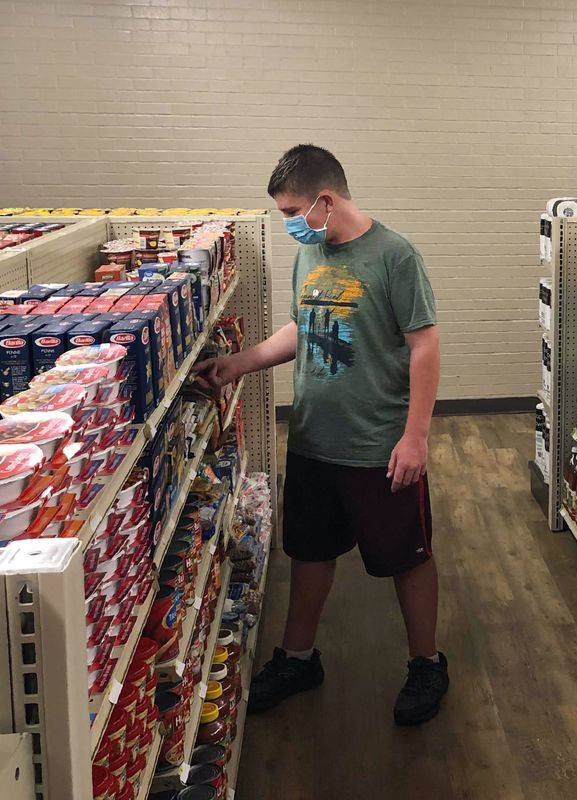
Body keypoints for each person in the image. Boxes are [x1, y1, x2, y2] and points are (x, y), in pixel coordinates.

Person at [194, 144, 448, 725]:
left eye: (292, 211)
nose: (289, 224)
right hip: (313, 441)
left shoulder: (394, 255)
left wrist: (416, 436)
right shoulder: (310, 258)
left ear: (325, 201)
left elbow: (424, 344)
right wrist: (240, 362)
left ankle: (426, 662)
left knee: (405, 557)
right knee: (309, 552)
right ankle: (299, 658)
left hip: (378, 447)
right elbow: (302, 325)